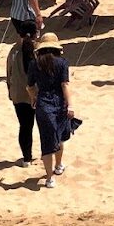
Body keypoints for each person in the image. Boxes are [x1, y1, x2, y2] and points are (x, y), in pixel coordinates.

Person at [26, 32, 74, 189]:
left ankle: (49, 178)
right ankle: (58, 165)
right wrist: (70, 105)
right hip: (59, 103)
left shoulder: (35, 64)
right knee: (59, 136)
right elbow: (65, 85)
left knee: (47, 140)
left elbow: (30, 86)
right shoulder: (62, 63)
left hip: (43, 104)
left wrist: (34, 98)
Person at [6, 35, 37, 166]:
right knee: (41, 126)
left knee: (25, 127)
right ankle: (48, 155)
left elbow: (8, 73)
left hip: (18, 94)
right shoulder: (37, 51)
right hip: (35, 94)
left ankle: (26, 158)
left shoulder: (14, 51)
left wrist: (10, 91)